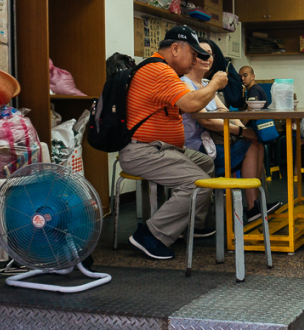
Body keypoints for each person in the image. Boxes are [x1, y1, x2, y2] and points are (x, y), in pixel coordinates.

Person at [119, 26, 225, 260]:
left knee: (205, 163)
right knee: (198, 183)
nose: (196, 59)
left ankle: (191, 225)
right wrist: (215, 84)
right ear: (176, 48)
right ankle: (150, 235)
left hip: (161, 148)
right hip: (144, 151)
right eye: (194, 54)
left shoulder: (160, 69)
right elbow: (190, 103)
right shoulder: (159, 71)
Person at [182, 39, 280, 224]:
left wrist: (243, 130)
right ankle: (252, 207)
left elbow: (225, 113)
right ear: (192, 58)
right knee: (250, 143)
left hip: (215, 142)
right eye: (201, 54)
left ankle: (255, 204)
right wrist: (242, 133)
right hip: (198, 149)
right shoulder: (185, 84)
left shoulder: (206, 84)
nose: (207, 58)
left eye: (210, 54)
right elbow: (207, 119)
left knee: (256, 141)